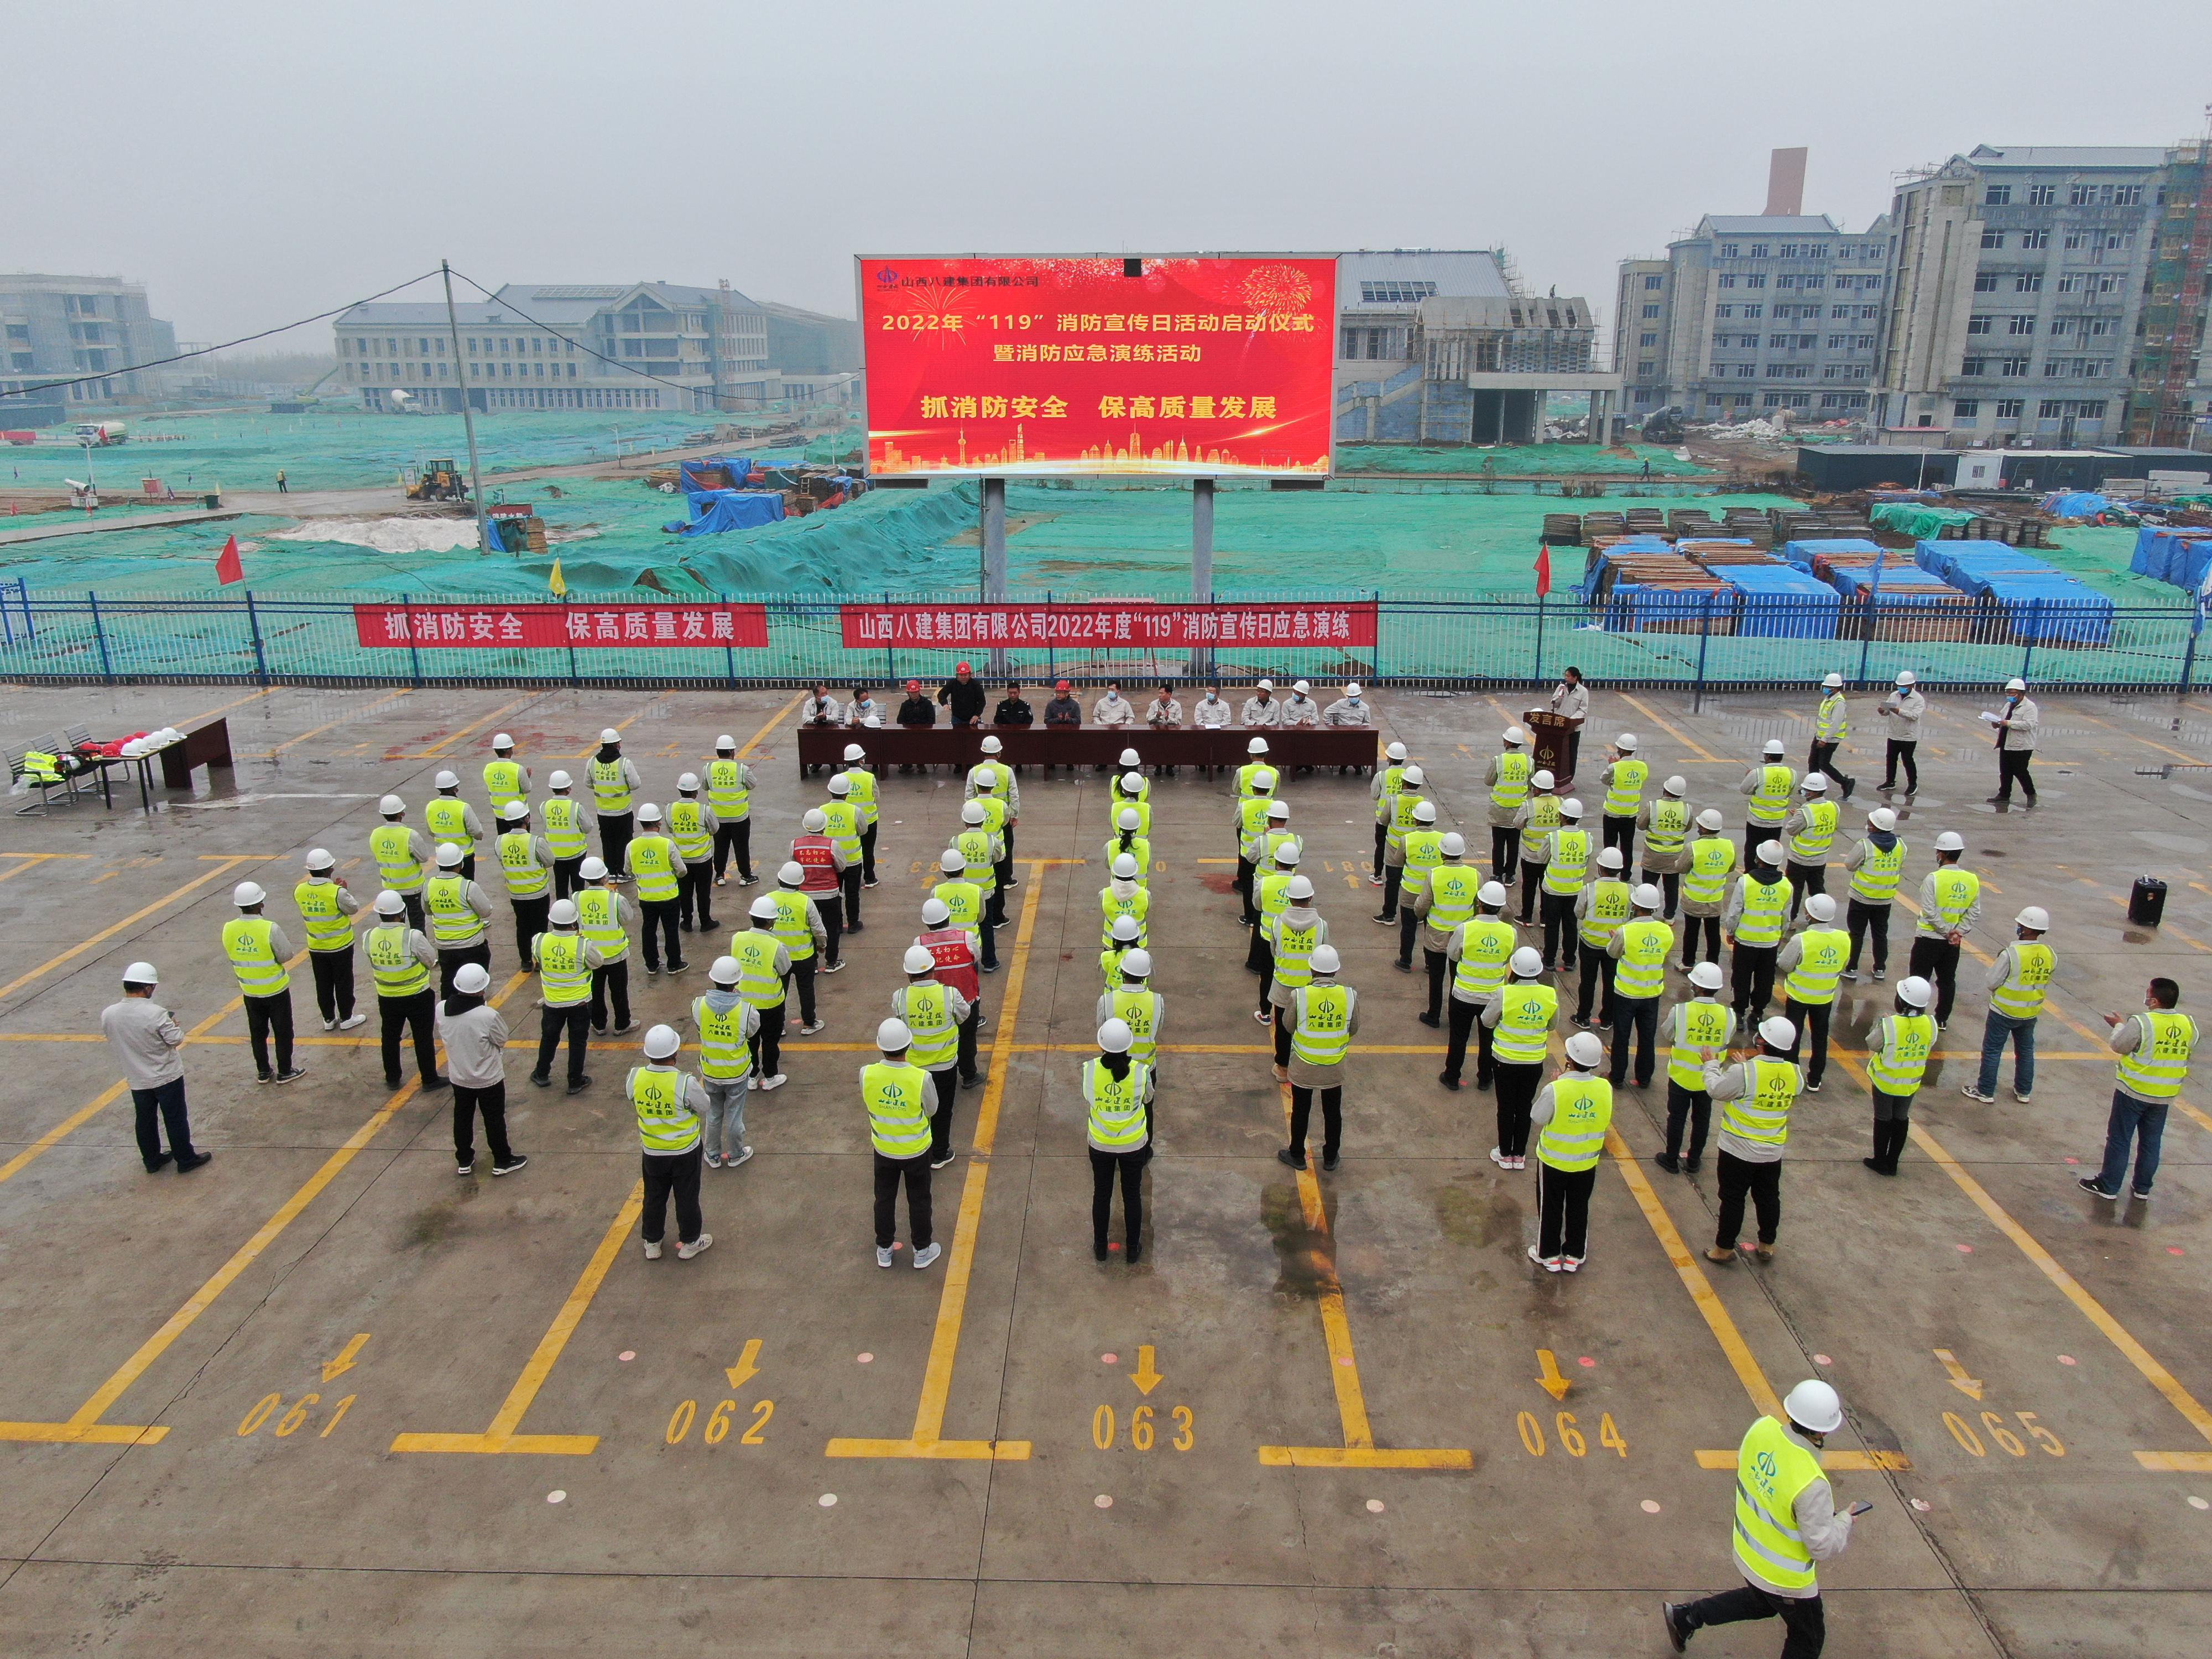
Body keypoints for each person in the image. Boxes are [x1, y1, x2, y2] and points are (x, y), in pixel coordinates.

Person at [1662, 1380, 1865, 1657]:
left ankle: (1688, 1617)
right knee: (1808, 1639)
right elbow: (1822, 1546)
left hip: (1748, 1553)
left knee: (1762, 1603)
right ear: (1821, 1430)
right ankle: (1688, 1617)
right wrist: (1843, 1522)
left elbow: (1772, 1496)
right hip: (1786, 1579)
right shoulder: (1811, 1482)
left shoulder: (1761, 1430)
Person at [2081, 977, 2198, 1204]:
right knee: (2151, 1141)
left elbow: (2119, 1045)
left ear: (2154, 1001)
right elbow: (2188, 1047)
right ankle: (2142, 1188)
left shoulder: (2143, 1022)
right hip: (2165, 1094)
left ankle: (2109, 1185)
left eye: (2148, 992)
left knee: (2120, 1139)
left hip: (2134, 1091)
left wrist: (2118, 1025)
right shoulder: (2188, 1024)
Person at [1702, 1016, 1800, 1265]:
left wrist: (1711, 1065)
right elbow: (1773, 1086)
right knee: (1768, 1197)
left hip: (1738, 1150)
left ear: (1761, 1042)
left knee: (1733, 1199)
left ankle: (1723, 1249)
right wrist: (1749, 1067)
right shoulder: (1794, 1073)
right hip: (1772, 1152)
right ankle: (1767, 1244)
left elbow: (1717, 1090)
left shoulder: (1744, 1072)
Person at [102, 961, 209, 1173]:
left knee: (145, 1120)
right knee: (175, 1118)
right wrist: (174, 1024)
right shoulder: (156, 1014)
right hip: (166, 1076)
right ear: (148, 988)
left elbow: (112, 1036)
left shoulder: (109, 1014)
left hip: (136, 1077)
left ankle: (152, 1160)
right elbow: (176, 1039)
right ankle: (185, 1159)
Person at [1527, 1031, 1613, 1272]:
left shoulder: (1557, 1089)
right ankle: (1575, 1254)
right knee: (1579, 1207)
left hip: (1554, 1161)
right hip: (1586, 1162)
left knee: (1550, 1206)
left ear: (1570, 1060)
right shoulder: (1605, 1088)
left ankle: (1549, 1255)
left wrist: (1555, 1084)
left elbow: (1537, 1117)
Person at [631, 1024, 712, 1261]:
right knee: (687, 1197)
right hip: (685, 1151)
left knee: (654, 1196)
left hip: (653, 1151)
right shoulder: (685, 1083)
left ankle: (653, 1242)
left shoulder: (635, 1077)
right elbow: (704, 1107)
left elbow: (634, 1099)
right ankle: (690, 1242)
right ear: (675, 1054)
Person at [865, 1018, 941, 1270]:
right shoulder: (921, 1078)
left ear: (881, 1046)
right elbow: (932, 1109)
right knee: (919, 1200)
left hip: (884, 1149)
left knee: (884, 1199)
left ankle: (884, 1249)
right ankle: (921, 1250)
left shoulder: (867, 1074)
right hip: (916, 1151)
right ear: (908, 1045)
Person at [439, 961, 522, 1178]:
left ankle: (464, 1160)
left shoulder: (441, 1009)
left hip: (459, 1077)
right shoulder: (487, 1016)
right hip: (488, 1078)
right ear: (481, 989)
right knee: (494, 1118)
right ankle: (502, 1159)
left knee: (462, 1117)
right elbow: (501, 1039)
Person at [1279, 943, 1357, 1171]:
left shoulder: (1300, 996)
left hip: (1305, 1065)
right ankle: (1331, 1157)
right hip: (1334, 1065)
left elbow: (1288, 1025)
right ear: (1335, 971)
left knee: (1301, 1110)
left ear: (1312, 969)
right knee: (1333, 1112)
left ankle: (1297, 1155)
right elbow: (1354, 1028)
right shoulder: (1349, 996)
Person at [1964, 907, 2053, 1104]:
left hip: (2003, 1012)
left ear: (2027, 929)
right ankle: (2024, 1091)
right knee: (2026, 1051)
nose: (2018, 927)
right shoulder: (2049, 953)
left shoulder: (2012, 954)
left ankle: (1986, 1091)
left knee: (1993, 1050)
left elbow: (1991, 982)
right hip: (2030, 1012)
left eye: (2021, 925)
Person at [894, 946, 970, 1172]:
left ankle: (918, 1148)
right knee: (943, 1109)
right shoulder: (950, 994)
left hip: (915, 1066)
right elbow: (964, 1015)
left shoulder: (900, 997)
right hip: (945, 1065)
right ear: (934, 970)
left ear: (908, 974)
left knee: (918, 1109)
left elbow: (899, 1023)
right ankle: (940, 1152)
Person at [222, 880, 305, 1085]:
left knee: (258, 1033)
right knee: (283, 1031)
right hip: (275, 990)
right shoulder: (269, 928)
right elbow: (286, 955)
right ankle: (285, 1071)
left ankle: (263, 1071)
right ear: (260, 904)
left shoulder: (229, 929)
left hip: (250, 992)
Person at [1481, 947, 1557, 1168]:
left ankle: (1505, 1154)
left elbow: (1487, 1020)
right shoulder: (1549, 994)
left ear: (1513, 969)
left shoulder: (1505, 993)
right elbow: (1552, 1025)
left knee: (1506, 1107)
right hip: (1534, 1061)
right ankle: (1519, 1155)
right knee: (1524, 1107)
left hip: (1505, 1060)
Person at [1084, 1017, 1153, 1262]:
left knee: (1102, 1194)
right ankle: (1133, 1249)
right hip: (1133, 1145)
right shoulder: (1141, 1072)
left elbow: (1089, 1099)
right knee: (1132, 1195)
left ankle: (1101, 1248)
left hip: (1100, 1144)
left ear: (1102, 1045)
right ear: (1128, 1046)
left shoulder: (1090, 1070)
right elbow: (1147, 1099)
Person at [1654, 962, 1733, 1173]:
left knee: (1677, 1118)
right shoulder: (1729, 1015)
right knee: (1702, 1119)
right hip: (1709, 1078)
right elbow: (1726, 1040)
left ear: (1696, 987)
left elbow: (1668, 1034)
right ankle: (1694, 1160)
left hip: (1681, 1076)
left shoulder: (1681, 1011)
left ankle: (1671, 1159)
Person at [1438, 883, 1516, 1090]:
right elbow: (1510, 959)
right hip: (1493, 996)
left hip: (1464, 994)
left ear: (1479, 903)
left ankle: (1452, 1076)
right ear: (1500, 907)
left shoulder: (1465, 929)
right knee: (1488, 1039)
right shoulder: (1510, 932)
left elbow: (1453, 954)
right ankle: (1485, 1078)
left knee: (1458, 1038)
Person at [366, 889, 444, 1091]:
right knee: (423, 1037)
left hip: (387, 996)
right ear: (402, 913)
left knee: (390, 1037)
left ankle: (392, 1077)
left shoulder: (369, 936)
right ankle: (429, 1079)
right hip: (417, 995)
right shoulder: (413, 937)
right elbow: (430, 960)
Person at [1863, 977, 1937, 1175]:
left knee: (1883, 1118)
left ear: (1902, 1001)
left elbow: (1872, 1044)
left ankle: (1880, 1161)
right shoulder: (1931, 1023)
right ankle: (1892, 1162)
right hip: (1910, 1083)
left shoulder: (1890, 1025)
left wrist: (1882, 1024)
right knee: (1901, 1118)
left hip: (1885, 1082)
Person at [1777, 894, 1849, 1093]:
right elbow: (1843, 964)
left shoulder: (1802, 939)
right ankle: (1815, 1079)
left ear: (1810, 915)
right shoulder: (1843, 938)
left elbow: (1784, 964)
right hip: (1824, 998)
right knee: (1820, 1037)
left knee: (1793, 1036)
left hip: (1798, 997)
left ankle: (1792, 1077)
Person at [693, 957, 759, 1169]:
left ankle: (712, 1155)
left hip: (711, 1072)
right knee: (734, 1115)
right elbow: (751, 1032)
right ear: (736, 982)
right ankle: (735, 1154)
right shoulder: (746, 1010)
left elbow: (700, 1027)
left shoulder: (699, 1005)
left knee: (714, 1113)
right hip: (736, 1074)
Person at [528, 898, 599, 1094]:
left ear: (552, 921)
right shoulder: (582, 944)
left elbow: (538, 961)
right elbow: (597, 963)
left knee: (549, 1038)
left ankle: (541, 1073)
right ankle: (575, 1080)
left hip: (553, 1003)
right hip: (580, 1003)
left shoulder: (539, 940)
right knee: (578, 1042)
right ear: (574, 922)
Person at [1908, 830, 1978, 1028]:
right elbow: (1974, 912)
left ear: (1942, 854)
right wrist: (1957, 933)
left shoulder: (1934, 878)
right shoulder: (1972, 879)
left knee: (1919, 980)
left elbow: (1929, 911)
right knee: (1947, 981)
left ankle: (1915, 1015)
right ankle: (1941, 1019)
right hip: (1952, 943)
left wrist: (1947, 932)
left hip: (1929, 939)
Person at [1606, 884, 1673, 1089]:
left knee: (1621, 1036)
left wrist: (1616, 939)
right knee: (1647, 1038)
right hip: (1651, 994)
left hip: (1626, 993)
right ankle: (1644, 1078)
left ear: (1635, 905)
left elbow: (1612, 953)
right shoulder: (1665, 931)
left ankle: (1617, 1076)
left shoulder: (1626, 931)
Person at [295, 848, 366, 1032]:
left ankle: (328, 1018)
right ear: (329, 870)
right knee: (343, 982)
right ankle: (347, 1017)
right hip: (340, 946)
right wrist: (343, 890)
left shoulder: (300, 891)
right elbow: (353, 909)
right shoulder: (336, 893)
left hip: (316, 947)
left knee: (323, 983)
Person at [919, 897, 985, 1088]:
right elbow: (976, 958)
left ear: (926, 921)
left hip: (938, 1003)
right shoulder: (966, 938)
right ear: (949, 917)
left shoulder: (920, 942)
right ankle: (969, 1075)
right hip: (968, 998)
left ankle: (937, 1074)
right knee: (967, 1039)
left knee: (940, 1038)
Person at [1414, 834, 1481, 1023]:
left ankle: (1434, 1014)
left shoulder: (1434, 874)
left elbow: (1422, 905)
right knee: (1457, 978)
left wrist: (1420, 916)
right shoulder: (1475, 875)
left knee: (1436, 977)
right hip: (1464, 937)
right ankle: (1455, 1017)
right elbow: (1479, 906)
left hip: (1437, 935)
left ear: (1442, 853)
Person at [729, 896, 794, 1089]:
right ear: (772, 921)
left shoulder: (737, 938)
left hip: (744, 1002)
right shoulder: (776, 946)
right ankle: (771, 1076)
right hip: (770, 1004)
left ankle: (752, 1075)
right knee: (770, 1041)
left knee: (749, 1040)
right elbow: (784, 969)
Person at [1723, 843, 1790, 1025]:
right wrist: (1779, 935)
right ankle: (1758, 1013)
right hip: (1770, 942)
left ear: (1759, 859)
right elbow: (1786, 916)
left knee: (1741, 977)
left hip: (1746, 940)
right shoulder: (1786, 885)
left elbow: (1735, 911)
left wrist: (1730, 931)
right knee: (1765, 980)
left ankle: (1739, 1013)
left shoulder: (1746, 881)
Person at [1841, 807, 1905, 982]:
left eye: (1871, 823)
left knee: (1856, 934)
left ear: (1876, 827)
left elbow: (1849, 864)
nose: (1868, 825)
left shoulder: (1865, 845)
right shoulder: (1901, 846)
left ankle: (1852, 967)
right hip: (1884, 900)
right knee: (1880, 934)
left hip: (1861, 898)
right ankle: (1879, 969)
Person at [575, 858, 638, 1035]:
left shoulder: (576, 897)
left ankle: (599, 1024)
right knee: (619, 992)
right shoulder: (615, 898)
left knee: (595, 991)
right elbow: (628, 918)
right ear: (604, 877)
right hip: (615, 954)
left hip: (590, 954)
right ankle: (622, 1024)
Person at [1264, 874, 1326, 1055]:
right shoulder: (1321, 926)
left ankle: (1282, 1067)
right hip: (1310, 988)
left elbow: (1273, 951)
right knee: (1306, 1027)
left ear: (1289, 898)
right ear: (1311, 898)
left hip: (1283, 985)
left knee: (1283, 1029)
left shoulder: (1277, 923)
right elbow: (1322, 955)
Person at [423, 842, 494, 997]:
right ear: (460, 864)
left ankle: (448, 1009)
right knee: (475, 983)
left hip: (445, 946)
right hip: (471, 944)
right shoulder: (468, 886)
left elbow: (427, 910)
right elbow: (486, 911)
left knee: (448, 982)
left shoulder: (429, 885)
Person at [1572, 845, 1631, 1029]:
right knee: (1611, 982)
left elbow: (1578, 913)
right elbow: (1630, 916)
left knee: (1588, 982)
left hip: (1590, 943)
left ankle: (1583, 1016)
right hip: (1615, 945)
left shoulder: (1589, 889)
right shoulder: (1630, 890)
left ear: (1600, 867)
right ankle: (1607, 1019)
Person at [768, 862, 829, 1034]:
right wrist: (821, 945)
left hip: (777, 956)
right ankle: (809, 1023)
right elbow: (819, 929)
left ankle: (779, 1026)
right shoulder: (805, 902)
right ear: (799, 883)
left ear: (779, 879)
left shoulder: (769, 899)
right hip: (803, 956)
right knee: (806, 989)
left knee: (779, 992)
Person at [494, 802, 554, 968]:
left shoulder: (500, 841)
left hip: (516, 893)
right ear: (527, 819)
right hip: (538, 893)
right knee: (540, 927)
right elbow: (550, 861)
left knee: (522, 926)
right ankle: (540, 960)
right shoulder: (535, 842)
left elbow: (502, 861)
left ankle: (526, 960)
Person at [1537, 797, 1591, 972]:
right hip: (1575, 890)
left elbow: (1542, 858)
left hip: (1553, 890)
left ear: (1562, 816)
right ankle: (1569, 960)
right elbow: (1586, 860)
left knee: (1552, 927)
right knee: (1571, 927)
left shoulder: (1554, 838)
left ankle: (1550, 960)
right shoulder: (1587, 838)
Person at [789, 815, 847, 971]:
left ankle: (813, 963)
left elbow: (793, 867)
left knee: (809, 929)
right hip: (829, 894)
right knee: (831, 928)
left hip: (805, 895)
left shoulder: (795, 845)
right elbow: (842, 867)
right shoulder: (832, 845)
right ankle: (831, 961)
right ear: (824, 827)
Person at [1679, 808, 1734, 971]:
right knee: (1713, 932)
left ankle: (1688, 962)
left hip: (1693, 900)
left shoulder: (1693, 847)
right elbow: (1731, 867)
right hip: (1715, 899)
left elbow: (1682, 868)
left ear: (1703, 828)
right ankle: (1712, 963)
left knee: (1691, 932)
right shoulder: (1728, 845)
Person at [1097, 947, 1163, 1083]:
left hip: (1115, 1067)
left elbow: (1103, 1031)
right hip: (1147, 1066)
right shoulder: (1157, 1000)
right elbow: (1157, 1029)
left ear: (1122, 971)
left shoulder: (1107, 1000)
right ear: (1145, 976)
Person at [1394, 800, 1446, 971]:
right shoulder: (1442, 839)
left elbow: (1397, 861)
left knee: (1408, 928)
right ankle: (1430, 962)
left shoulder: (1407, 840)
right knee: (1429, 928)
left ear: (1416, 820)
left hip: (1411, 891)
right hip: (1434, 892)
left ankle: (1406, 960)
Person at [1375, 765, 1428, 925]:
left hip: (1394, 848)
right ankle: (1417, 913)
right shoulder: (1424, 802)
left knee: (1392, 882)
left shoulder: (1393, 801)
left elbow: (1383, 821)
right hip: (1415, 848)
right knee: (1416, 882)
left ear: (1404, 782)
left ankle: (1389, 914)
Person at [1780, 774, 1838, 919]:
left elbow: (1791, 829)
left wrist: (1797, 817)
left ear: (1811, 793)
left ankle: (1791, 919)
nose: (1803, 792)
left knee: (1795, 891)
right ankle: (1820, 916)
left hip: (1799, 860)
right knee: (1817, 890)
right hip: (1820, 860)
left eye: (1804, 790)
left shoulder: (1805, 812)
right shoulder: (1834, 807)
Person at [369, 793, 430, 932]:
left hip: (390, 888)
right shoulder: (409, 834)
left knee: (394, 928)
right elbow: (424, 857)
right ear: (402, 813)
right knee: (417, 925)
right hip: (413, 889)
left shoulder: (376, 834)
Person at [667, 776, 719, 935]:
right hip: (702, 859)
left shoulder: (670, 809)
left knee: (685, 892)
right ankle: (705, 921)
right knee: (704, 893)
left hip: (681, 860)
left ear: (679, 790)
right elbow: (714, 829)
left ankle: (687, 922)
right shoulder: (704, 810)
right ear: (696, 792)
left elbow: (671, 829)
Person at [704, 735, 757, 888]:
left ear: (717, 752)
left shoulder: (708, 769)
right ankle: (746, 876)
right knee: (741, 847)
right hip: (739, 817)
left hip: (718, 817)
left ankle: (720, 875)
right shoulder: (741, 769)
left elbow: (705, 786)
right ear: (732, 752)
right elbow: (752, 784)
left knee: (720, 847)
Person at [1637, 776, 1693, 920]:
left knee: (1649, 885)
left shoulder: (1653, 806)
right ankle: (1669, 916)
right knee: (1672, 887)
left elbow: (1641, 825)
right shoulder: (1687, 809)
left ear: (1665, 789)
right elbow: (1687, 828)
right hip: (1674, 856)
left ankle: (1645, 912)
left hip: (1653, 855)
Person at [588, 729, 642, 874]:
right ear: (616, 745)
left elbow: (588, 783)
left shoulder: (592, 762)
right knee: (624, 842)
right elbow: (635, 784)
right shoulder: (624, 763)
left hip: (603, 812)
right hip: (623, 811)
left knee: (608, 842)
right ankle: (623, 872)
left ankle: (611, 871)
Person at [934, 846, 995, 974]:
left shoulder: (937, 892)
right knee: (970, 981)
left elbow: (934, 920)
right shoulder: (976, 891)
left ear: (945, 872)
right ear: (963, 869)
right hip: (970, 945)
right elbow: (981, 917)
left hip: (946, 946)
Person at [1514, 769, 1564, 925]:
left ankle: (1527, 917)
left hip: (1530, 855)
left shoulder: (1529, 806)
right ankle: (1544, 918)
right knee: (1546, 887)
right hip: (1550, 856)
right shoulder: (1561, 803)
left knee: (1528, 887)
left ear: (1537, 789)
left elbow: (1517, 824)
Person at [1484, 726, 1532, 881]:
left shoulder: (1499, 760)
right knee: (1513, 845)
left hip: (1499, 809)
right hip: (1518, 810)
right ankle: (1510, 875)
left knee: (1498, 845)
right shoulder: (1528, 761)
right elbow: (1531, 784)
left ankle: (1497, 874)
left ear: (1507, 742)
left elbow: (1489, 781)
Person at [1739, 739, 1794, 872]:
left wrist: (1749, 777)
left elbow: (1744, 790)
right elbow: (1789, 791)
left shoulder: (1758, 773)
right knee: (1772, 848)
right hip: (1777, 821)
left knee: (1752, 848)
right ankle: (1769, 873)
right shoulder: (1791, 773)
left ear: (1767, 756)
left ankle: (1751, 874)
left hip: (1757, 820)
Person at [820, 775, 866, 930]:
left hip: (830, 861)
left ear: (829, 791)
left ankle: (837, 924)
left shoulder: (822, 810)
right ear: (847, 793)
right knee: (852, 893)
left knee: (834, 893)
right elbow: (863, 830)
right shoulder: (855, 811)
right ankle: (853, 923)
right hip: (852, 860)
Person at [954, 799, 1006, 932]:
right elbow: (997, 859)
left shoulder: (956, 841)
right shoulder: (992, 842)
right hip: (987, 890)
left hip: (965, 889)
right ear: (983, 821)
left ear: (964, 821)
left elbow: (954, 864)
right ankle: (989, 954)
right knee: (987, 926)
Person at [1234, 768, 1277, 925]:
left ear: (1253, 788)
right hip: (1269, 853)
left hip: (1247, 853)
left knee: (1247, 884)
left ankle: (1250, 916)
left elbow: (1237, 823)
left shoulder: (1245, 807)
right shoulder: (1276, 807)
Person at [1987, 676, 2039, 806]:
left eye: (2012, 693)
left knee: (2020, 771)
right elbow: (2002, 719)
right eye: (2008, 692)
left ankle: (2031, 794)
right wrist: (1997, 724)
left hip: (2021, 746)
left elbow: (2028, 725)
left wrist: (2008, 723)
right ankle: (2004, 794)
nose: (2009, 695)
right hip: (2006, 742)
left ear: (2021, 693)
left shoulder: (2029, 707)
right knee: (2005, 771)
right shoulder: (2009, 705)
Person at [425, 771, 486, 881]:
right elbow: (477, 832)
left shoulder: (431, 807)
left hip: (443, 856)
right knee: (466, 887)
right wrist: (479, 837)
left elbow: (431, 831)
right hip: (464, 856)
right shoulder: (463, 807)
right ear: (455, 789)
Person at [539, 771, 591, 900]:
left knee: (561, 888)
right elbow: (587, 827)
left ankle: (562, 916)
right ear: (568, 789)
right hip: (576, 854)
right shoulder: (575, 807)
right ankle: (578, 916)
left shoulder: (544, 806)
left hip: (556, 856)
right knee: (578, 889)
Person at [1598, 733, 1647, 862]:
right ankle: (1626, 875)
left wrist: (1611, 765)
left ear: (1621, 750)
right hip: (1630, 815)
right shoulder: (1642, 767)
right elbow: (1642, 779)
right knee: (1627, 846)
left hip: (1612, 814)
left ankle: (1608, 870)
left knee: (1610, 846)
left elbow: (1604, 780)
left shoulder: (1615, 767)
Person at [1876, 669, 1925, 794]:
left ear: (1911, 686)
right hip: (1894, 734)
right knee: (1891, 758)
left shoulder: (1918, 699)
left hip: (1908, 736)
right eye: (1900, 686)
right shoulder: (1894, 695)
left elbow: (1914, 716)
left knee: (1907, 760)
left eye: (1904, 686)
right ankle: (1890, 781)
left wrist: (1898, 711)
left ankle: (1913, 784)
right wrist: (1883, 711)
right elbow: (1888, 711)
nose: (1901, 688)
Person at [973, 768, 1019, 896]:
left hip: (978, 844)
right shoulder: (1001, 805)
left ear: (977, 785)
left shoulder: (970, 805)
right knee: (998, 884)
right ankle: (999, 914)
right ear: (993, 786)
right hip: (997, 847)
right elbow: (1005, 822)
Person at [1371, 740, 1410, 885]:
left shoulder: (1382, 775)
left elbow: (1374, 795)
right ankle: (1401, 875)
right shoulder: (1409, 775)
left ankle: (1377, 875)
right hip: (1402, 817)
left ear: (1390, 758)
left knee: (1381, 846)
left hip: (1383, 818)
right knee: (1403, 848)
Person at [1809, 672, 1854, 796]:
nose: (1826, 689)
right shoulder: (1829, 699)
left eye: (1828, 687)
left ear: (1836, 688)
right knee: (1813, 762)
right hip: (1820, 736)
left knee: (1824, 764)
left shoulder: (1839, 702)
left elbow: (1836, 723)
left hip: (1830, 739)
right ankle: (1812, 786)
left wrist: (1824, 739)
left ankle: (1845, 782)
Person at [1546, 666, 1589, 780]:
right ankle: (1555, 775)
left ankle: (1570, 776)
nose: (1566, 678)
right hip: (1559, 725)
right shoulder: (1561, 687)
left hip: (1573, 728)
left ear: (1575, 678)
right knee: (1557, 751)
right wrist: (1559, 697)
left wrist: (1571, 720)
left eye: (1568, 676)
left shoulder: (1583, 692)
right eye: (1565, 675)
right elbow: (1555, 704)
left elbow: (1583, 710)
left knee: (1571, 752)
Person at [483, 732, 531, 821]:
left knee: (503, 835)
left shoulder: (488, 769)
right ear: (509, 750)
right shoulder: (518, 769)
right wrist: (526, 778)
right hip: (519, 813)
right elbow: (527, 789)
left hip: (500, 815)